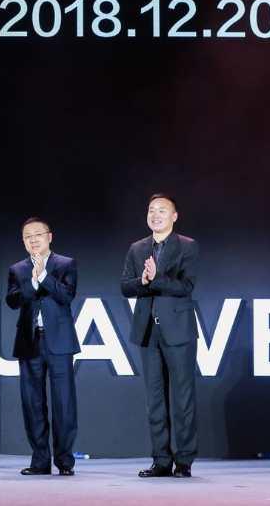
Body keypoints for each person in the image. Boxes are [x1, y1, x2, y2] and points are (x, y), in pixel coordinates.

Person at [121, 193, 199, 478]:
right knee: (155, 400)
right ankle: (161, 460)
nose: (155, 215)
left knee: (182, 398)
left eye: (162, 211)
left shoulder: (187, 246)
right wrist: (142, 281)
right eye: (151, 210)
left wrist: (156, 279)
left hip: (178, 331)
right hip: (147, 332)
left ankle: (184, 460)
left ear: (174, 216)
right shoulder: (137, 248)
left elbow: (186, 286)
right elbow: (125, 287)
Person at [6, 217, 79, 476]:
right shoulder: (17, 269)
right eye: (28, 236)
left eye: (38, 234)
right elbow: (12, 300)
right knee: (32, 403)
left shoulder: (66, 264)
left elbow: (66, 295)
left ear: (49, 236)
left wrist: (44, 277)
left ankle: (65, 461)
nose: (33, 240)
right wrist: (33, 282)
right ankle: (40, 460)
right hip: (29, 341)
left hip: (59, 341)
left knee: (64, 403)